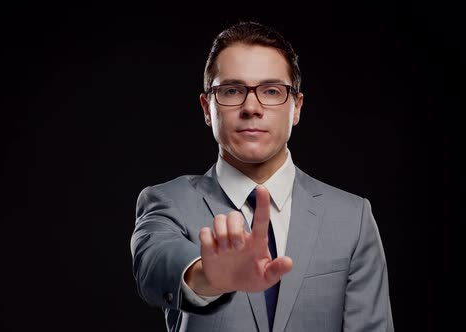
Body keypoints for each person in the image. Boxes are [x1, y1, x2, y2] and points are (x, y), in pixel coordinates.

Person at [130, 21, 394, 332]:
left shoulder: (352, 217)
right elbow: (154, 266)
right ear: (207, 107)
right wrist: (208, 277)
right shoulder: (167, 201)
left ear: (296, 107)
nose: (251, 107)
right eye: (231, 90)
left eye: (271, 91)